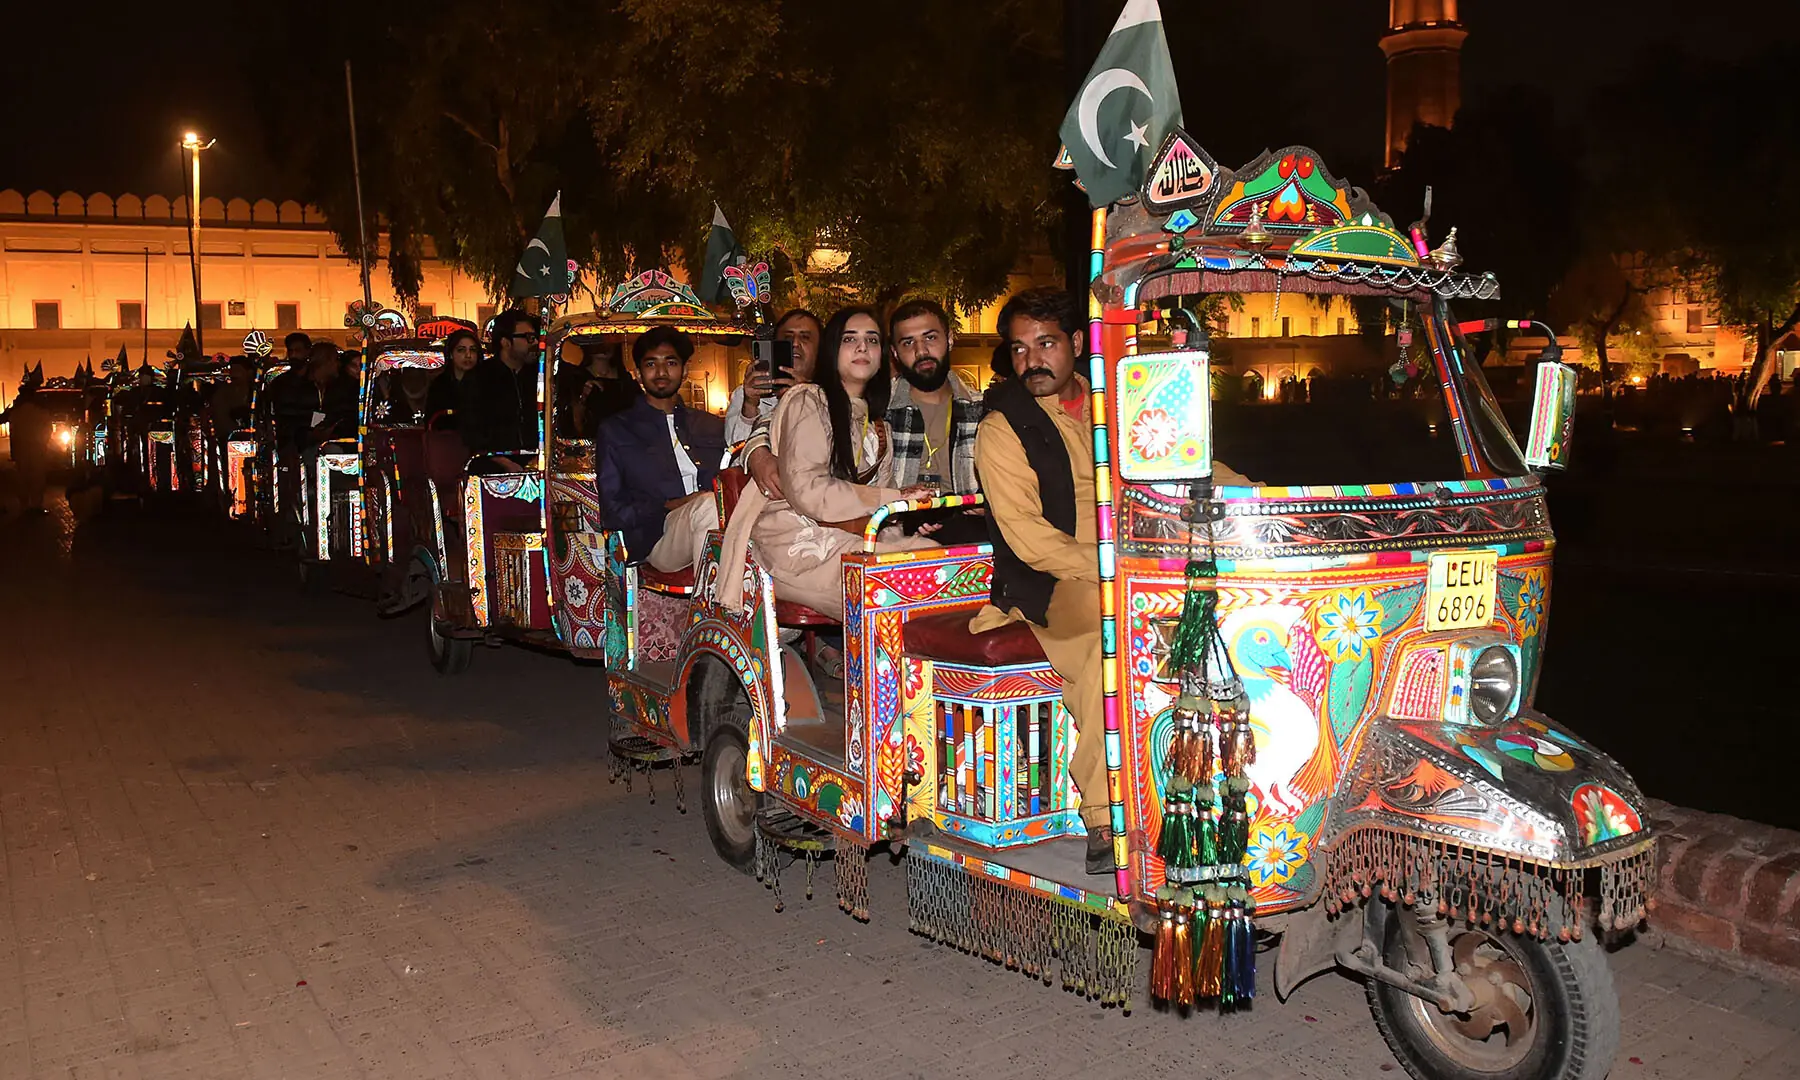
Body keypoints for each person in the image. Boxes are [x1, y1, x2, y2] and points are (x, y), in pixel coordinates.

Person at [970, 288, 1251, 874]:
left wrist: (1256, 498)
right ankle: (1104, 814)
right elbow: (1027, 536)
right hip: (1055, 580)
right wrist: (1109, 568)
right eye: (1019, 349)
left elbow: (1191, 463)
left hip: (1137, 561)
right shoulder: (1003, 426)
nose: (1031, 361)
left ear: (1076, 343)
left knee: (1234, 615)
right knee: (1112, 637)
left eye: (1045, 344)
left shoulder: (1121, 405)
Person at [718, 307, 937, 625]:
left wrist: (910, 515)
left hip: (849, 536)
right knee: (895, 579)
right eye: (850, 339)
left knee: (933, 556)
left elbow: (882, 514)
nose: (862, 347)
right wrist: (895, 498)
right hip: (796, 538)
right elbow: (809, 491)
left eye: (871, 340)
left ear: (882, 356)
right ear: (832, 350)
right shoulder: (808, 400)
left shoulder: (879, 427)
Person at [595, 326, 727, 568]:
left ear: (685, 371)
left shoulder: (710, 424)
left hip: (717, 524)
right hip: (656, 538)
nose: (661, 372)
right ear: (638, 373)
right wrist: (671, 505)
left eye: (671, 363)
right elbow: (612, 512)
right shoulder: (616, 430)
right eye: (651, 364)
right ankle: (718, 593)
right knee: (708, 507)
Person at [887, 297, 987, 544]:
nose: (921, 351)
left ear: (950, 339)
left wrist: (989, 506)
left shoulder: (983, 409)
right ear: (895, 353)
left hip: (969, 537)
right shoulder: (880, 410)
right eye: (908, 342)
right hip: (893, 537)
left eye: (930, 338)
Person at [723, 308, 823, 446]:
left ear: (820, 349)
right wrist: (750, 407)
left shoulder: (829, 397)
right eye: (787, 338)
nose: (795, 343)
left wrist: (803, 398)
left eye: (805, 337)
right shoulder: (745, 394)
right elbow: (736, 451)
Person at [462, 310, 541, 458]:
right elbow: (472, 432)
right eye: (529, 338)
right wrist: (503, 461)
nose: (535, 342)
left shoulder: (539, 375)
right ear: (506, 342)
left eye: (535, 337)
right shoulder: (479, 378)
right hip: (491, 464)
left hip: (537, 461)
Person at [566, 339, 640, 438]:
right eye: (598, 340)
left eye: (609, 340)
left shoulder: (625, 378)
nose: (604, 346)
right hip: (593, 438)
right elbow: (573, 416)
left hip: (625, 438)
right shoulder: (577, 378)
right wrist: (583, 395)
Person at [1, 380, 52, 513]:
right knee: (37, 477)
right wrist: (44, 443)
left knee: (23, 477)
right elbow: (48, 429)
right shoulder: (41, 411)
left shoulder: (16, 412)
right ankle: (36, 505)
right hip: (36, 449)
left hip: (22, 449)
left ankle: (24, 505)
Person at [424, 328, 484, 434]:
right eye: (461, 350)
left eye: (473, 350)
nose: (468, 355)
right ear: (451, 354)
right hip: (445, 441)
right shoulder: (439, 385)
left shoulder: (487, 382)